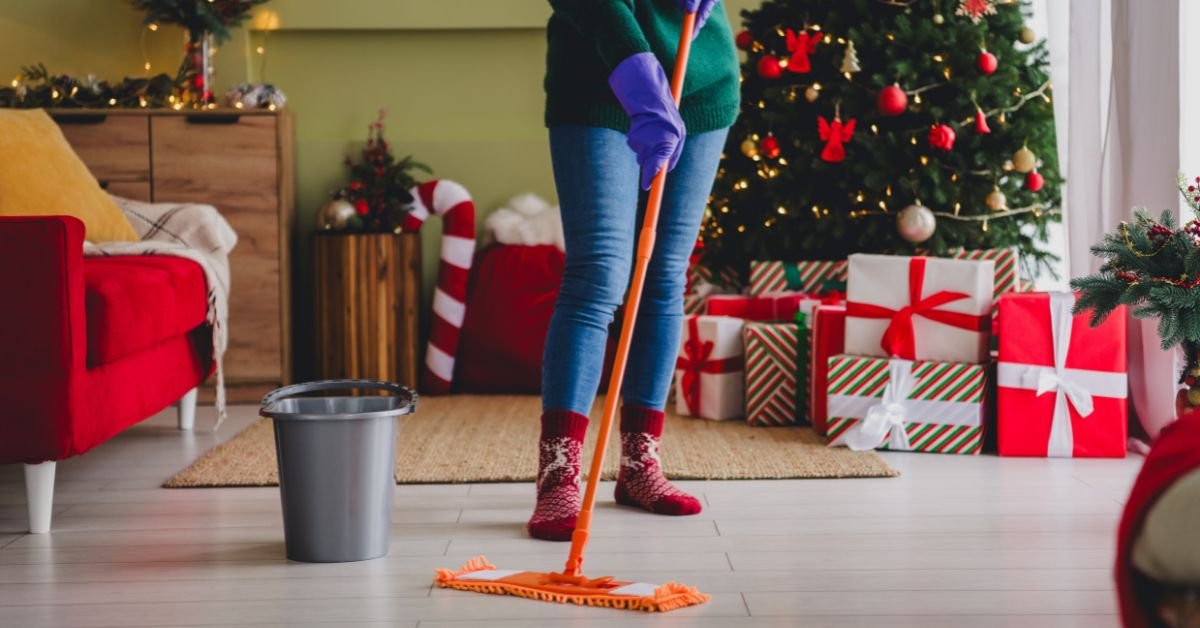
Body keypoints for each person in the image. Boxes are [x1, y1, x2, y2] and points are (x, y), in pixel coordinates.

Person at [529, 0, 740, 541]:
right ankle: (560, 475)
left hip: (700, 76)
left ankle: (640, 465)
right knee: (598, 275)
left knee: (665, 275)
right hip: (598, 73)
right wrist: (633, 65)